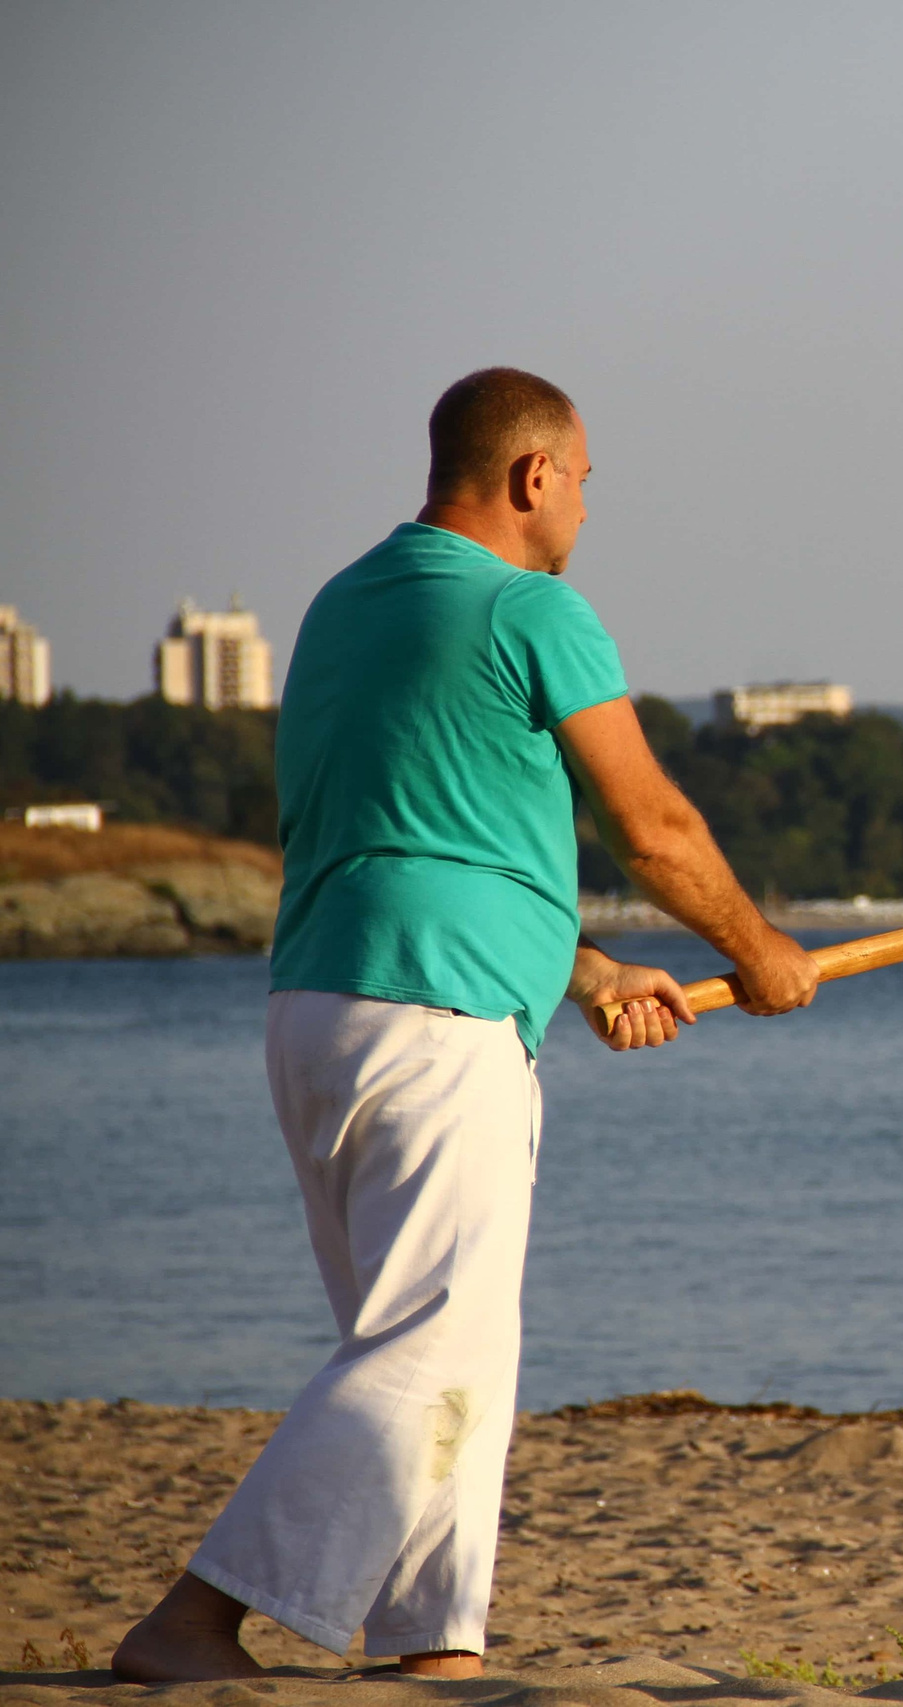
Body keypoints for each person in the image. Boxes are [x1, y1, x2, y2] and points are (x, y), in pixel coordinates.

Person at [113, 368, 820, 1682]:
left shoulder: (344, 605)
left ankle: (430, 1642)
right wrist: (757, 948)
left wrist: (590, 966)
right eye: (588, 481)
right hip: (435, 1023)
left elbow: (432, 834)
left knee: (452, 1345)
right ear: (535, 473)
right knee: (430, 1341)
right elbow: (656, 827)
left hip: (322, 1005)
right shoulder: (533, 608)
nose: (590, 510)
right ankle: (194, 1618)